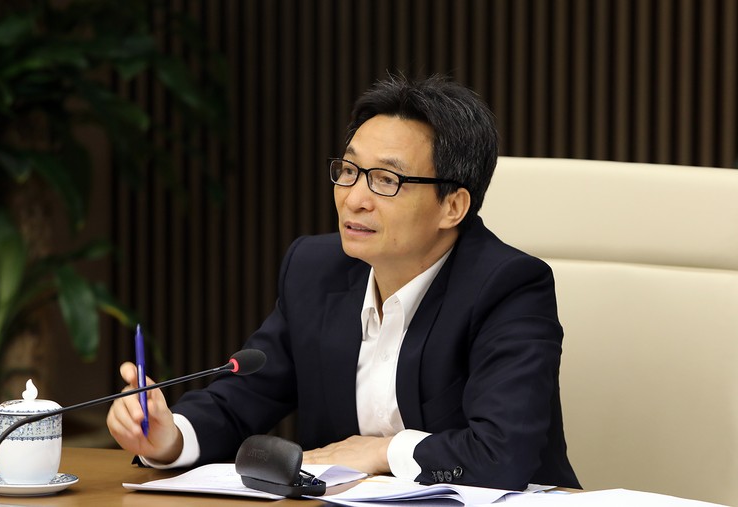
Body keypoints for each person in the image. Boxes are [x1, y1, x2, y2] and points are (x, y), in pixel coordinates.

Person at [107, 74, 581, 490]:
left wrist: (381, 451)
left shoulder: (509, 287)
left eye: (386, 180)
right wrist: (170, 437)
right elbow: (243, 399)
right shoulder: (315, 270)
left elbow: (502, 453)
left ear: (452, 206)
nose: (354, 199)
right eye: (350, 171)